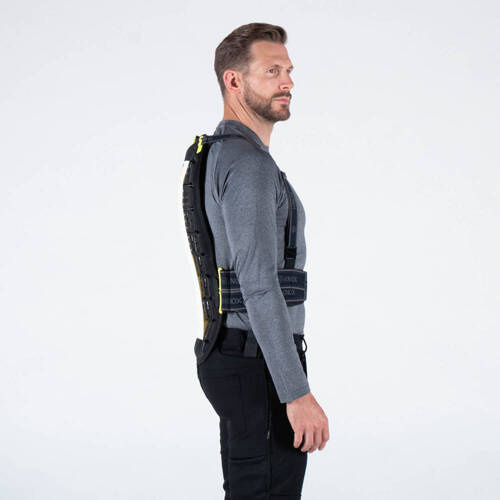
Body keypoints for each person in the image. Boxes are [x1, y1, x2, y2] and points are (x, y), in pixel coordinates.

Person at [196, 22, 330, 499]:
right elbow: (257, 283)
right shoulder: (248, 164)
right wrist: (296, 391)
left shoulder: (220, 153)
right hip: (258, 363)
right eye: (272, 71)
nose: (287, 82)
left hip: (241, 355)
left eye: (289, 71)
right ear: (234, 80)